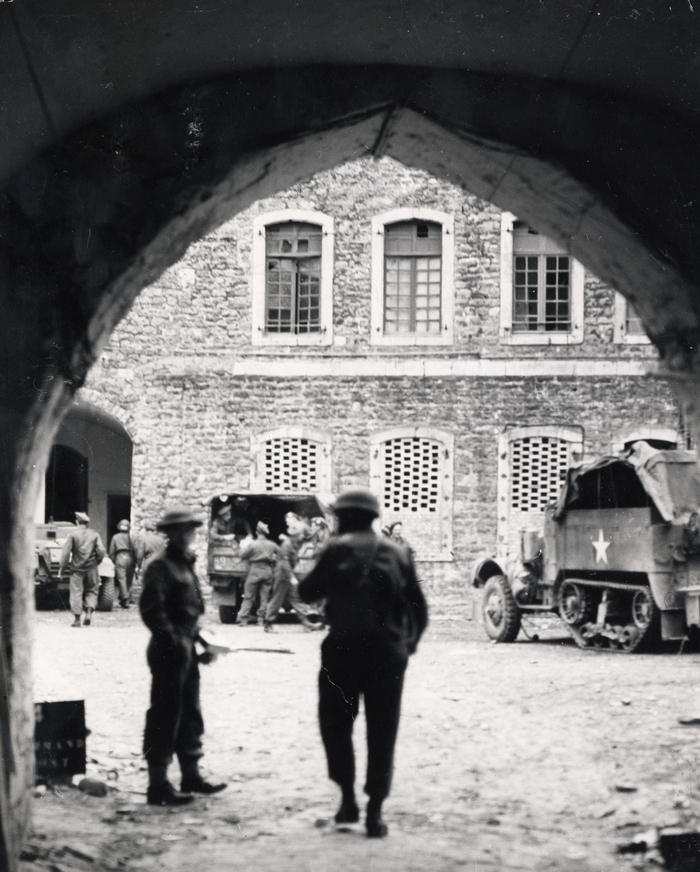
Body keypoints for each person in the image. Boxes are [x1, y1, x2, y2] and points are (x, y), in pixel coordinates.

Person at [299, 488, 428, 838]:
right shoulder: (399, 552)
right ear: (373, 517)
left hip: (342, 651)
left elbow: (307, 592)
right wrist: (408, 645)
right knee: (383, 730)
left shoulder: (334, 550)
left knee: (336, 727)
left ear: (342, 517)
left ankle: (346, 800)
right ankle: (375, 812)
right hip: (388, 653)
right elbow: (419, 605)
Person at [139, 508, 227, 806]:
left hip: (186, 648)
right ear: (171, 534)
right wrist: (176, 643)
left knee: (190, 713)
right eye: (183, 530)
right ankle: (158, 784)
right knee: (164, 716)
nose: (188, 534)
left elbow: (190, 611)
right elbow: (153, 612)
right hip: (168, 652)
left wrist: (203, 641)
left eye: (190, 529)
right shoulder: (160, 566)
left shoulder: (185, 564)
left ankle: (191, 775)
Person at [263, 512, 323, 633]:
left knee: (296, 598)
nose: (302, 537)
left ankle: (307, 623)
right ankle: (268, 623)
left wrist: (316, 529)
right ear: (296, 535)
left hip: (287, 573)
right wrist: (291, 577)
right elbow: (284, 563)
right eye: (301, 535)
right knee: (277, 599)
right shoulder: (287, 545)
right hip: (282, 574)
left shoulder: (295, 542)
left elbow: (309, 535)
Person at [58, 511, 107, 628]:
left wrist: (62, 570)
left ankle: (77, 619)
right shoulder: (94, 535)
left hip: (76, 569)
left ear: (77, 522)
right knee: (92, 590)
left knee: (76, 592)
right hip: (92, 568)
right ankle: (89, 613)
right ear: (87, 523)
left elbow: (65, 554)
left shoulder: (73, 535)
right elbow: (101, 551)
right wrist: (97, 562)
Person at [236, 521, 279, 626]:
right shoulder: (272, 544)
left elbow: (242, 555)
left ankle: (244, 620)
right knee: (264, 597)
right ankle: (261, 619)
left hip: (255, 571)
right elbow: (281, 554)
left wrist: (243, 547)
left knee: (248, 596)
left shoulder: (253, 544)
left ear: (256, 532)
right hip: (268, 571)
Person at [109, 519, 138, 608]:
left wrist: (113, 561)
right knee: (128, 579)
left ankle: (125, 599)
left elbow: (111, 551)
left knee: (122, 579)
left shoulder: (115, 537)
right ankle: (123, 598)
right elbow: (135, 550)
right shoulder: (132, 538)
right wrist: (135, 561)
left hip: (120, 557)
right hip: (130, 557)